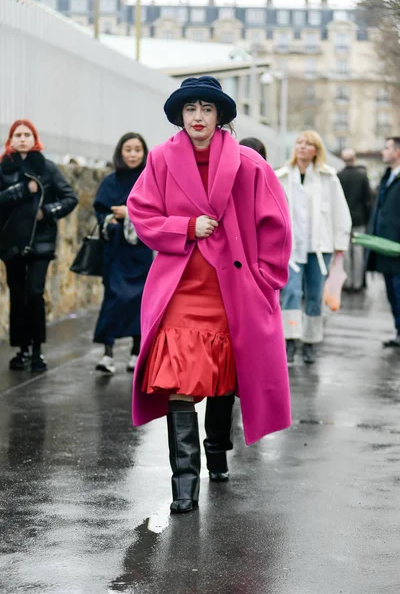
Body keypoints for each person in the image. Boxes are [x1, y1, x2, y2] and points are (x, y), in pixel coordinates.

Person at [127, 76, 292, 514]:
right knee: (179, 380)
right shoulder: (161, 159)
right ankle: (184, 487)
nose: (197, 117)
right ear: (180, 115)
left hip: (231, 289)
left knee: (222, 376)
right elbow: (142, 213)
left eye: (206, 108)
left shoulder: (249, 163)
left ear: (219, 116)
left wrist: (265, 279)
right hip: (181, 288)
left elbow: (275, 224)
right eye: (190, 109)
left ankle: (216, 447)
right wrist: (183, 227)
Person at [0, 120, 77, 372]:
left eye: (27, 134)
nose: (22, 139)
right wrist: (23, 190)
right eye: (17, 135)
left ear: (35, 139)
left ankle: (37, 351)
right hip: (11, 244)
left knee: (34, 293)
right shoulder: (3, 169)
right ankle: (21, 350)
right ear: (10, 140)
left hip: (40, 242)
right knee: (18, 296)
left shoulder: (48, 168)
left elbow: (70, 197)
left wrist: (47, 211)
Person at [276, 130, 352, 365]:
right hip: (291, 249)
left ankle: (309, 343)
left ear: (316, 150)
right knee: (291, 294)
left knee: (314, 296)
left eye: (308, 144)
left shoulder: (328, 177)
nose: (302, 146)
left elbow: (340, 213)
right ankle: (290, 341)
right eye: (299, 142)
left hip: (320, 247)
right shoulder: (281, 176)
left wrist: (340, 246)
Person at [93, 133, 153, 374]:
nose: (132, 154)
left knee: (140, 303)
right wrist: (112, 219)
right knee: (113, 299)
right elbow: (99, 212)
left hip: (140, 253)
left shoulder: (151, 181)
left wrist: (130, 214)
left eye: (137, 150)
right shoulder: (110, 181)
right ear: (120, 152)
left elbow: (157, 211)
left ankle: (136, 353)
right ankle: (107, 354)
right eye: (128, 149)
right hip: (115, 252)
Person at [366, 136, 400, 348]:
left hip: (396, 248)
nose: (383, 151)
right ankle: (398, 332)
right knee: (392, 293)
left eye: (387, 148)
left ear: (397, 152)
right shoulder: (388, 176)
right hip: (385, 247)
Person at [337, 148, 372, 291]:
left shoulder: (339, 175)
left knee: (345, 252)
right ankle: (358, 283)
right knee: (358, 252)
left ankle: (347, 282)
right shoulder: (362, 176)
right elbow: (367, 199)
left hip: (343, 219)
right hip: (359, 219)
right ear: (354, 159)